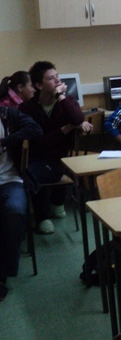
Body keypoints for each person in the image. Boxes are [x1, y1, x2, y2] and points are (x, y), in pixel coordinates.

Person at [19, 61, 92, 234]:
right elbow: (38, 144)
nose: (58, 81)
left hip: (60, 159)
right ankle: (43, 216)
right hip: (36, 158)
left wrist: (60, 96)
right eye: (51, 78)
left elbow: (77, 119)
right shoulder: (27, 108)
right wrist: (65, 129)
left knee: (43, 170)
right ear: (39, 85)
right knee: (32, 171)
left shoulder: (67, 101)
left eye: (57, 76)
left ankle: (54, 206)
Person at [0, 106, 42, 301]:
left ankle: (2, 275)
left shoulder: (7, 115)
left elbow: (35, 130)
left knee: (15, 211)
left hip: (11, 180)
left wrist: (5, 141)